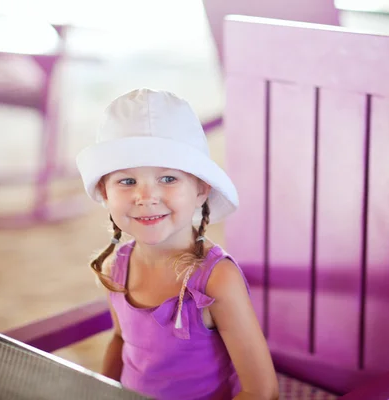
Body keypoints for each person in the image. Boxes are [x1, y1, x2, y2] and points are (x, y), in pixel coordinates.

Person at [75, 88, 279, 400]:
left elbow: (261, 391)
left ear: (200, 189)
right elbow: (120, 339)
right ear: (105, 191)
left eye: (168, 179)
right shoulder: (117, 266)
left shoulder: (216, 280)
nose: (146, 197)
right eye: (127, 181)